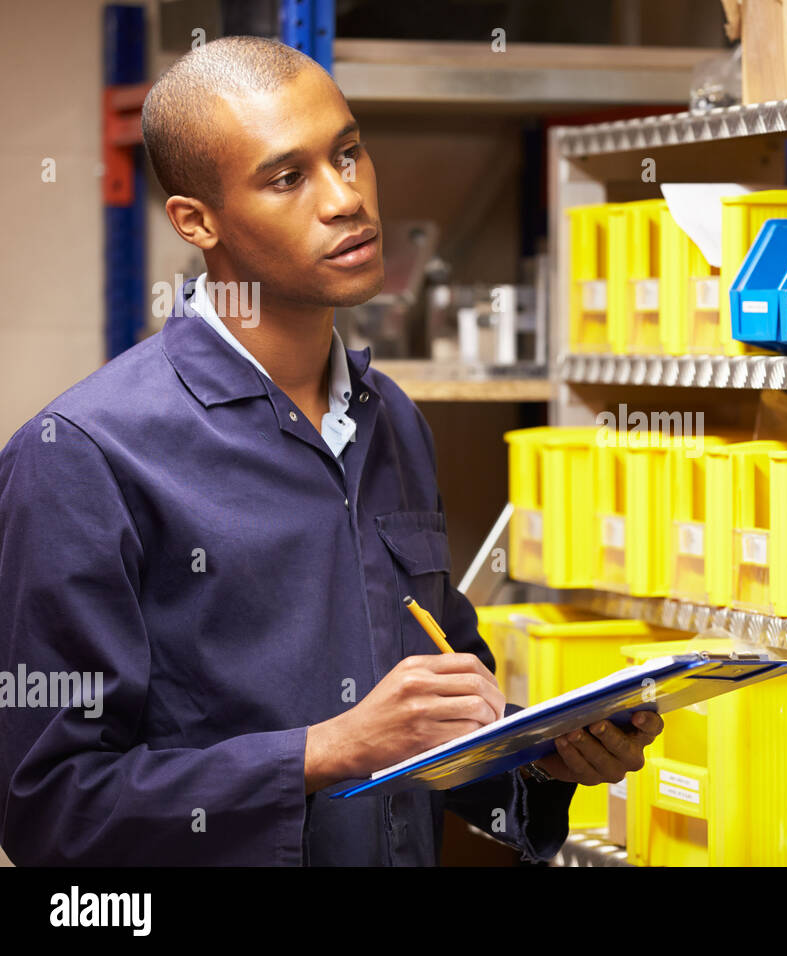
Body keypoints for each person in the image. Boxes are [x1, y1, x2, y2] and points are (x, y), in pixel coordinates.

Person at [0, 35, 661, 866]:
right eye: (288, 178)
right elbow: (50, 810)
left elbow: (435, 729)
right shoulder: (82, 457)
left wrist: (547, 759)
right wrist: (323, 751)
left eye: (349, 154)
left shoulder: (393, 422)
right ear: (195, 221)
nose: (345, 198)